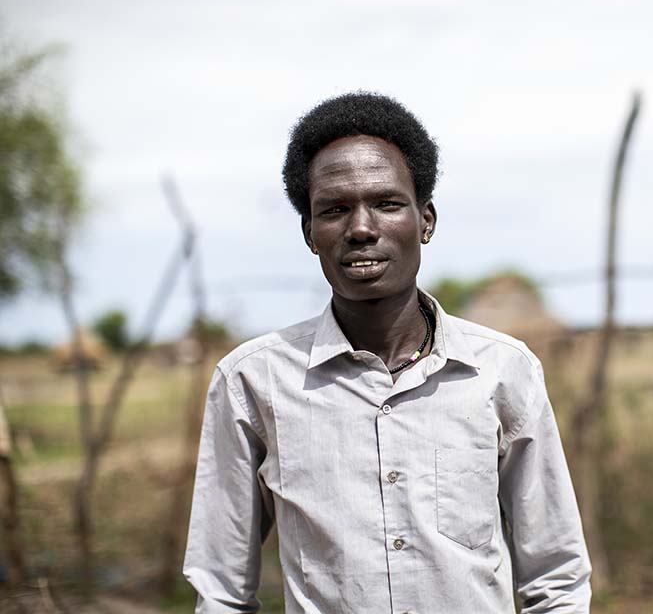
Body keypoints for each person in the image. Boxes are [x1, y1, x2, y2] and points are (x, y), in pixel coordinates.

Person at [182, 92, 592, 613]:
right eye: (333, 209)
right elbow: (220, 591)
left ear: (426, 220)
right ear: (309, 232)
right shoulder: (253, 382)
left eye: (386, 203)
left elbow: (556, 578)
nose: (360, 228)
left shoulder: (502, 371)